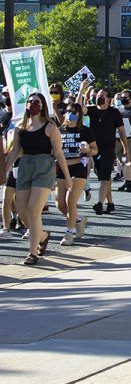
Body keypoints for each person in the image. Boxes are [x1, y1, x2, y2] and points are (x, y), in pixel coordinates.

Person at [3, 93, 72, 265]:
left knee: (34, 210)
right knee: (23, 213)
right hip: (25, 166)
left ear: (42, 106)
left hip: (44, 167)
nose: (33, 104)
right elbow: (15, 151)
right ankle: (42, 235)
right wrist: (4, 170)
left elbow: (58, 152)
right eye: (30, 102)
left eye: (37, 102)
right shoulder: (21, 126)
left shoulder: (50, 126)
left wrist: (67, 177)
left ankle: (32, 253)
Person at [79, 80, 127, 215]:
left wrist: (126, 150)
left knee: (105, 177)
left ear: (109, 99)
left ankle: (99, 204)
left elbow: (122, 132)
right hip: (94, 149)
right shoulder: (92, 110)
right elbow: (79, 107)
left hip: (108, 149)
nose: (98, 98)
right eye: (97, 96)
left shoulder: (114, 113)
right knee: (103, 178)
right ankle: (110, 203)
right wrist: (82, 90)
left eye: (102, 96)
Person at [56, 103, 97, 244]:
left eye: (73, 112)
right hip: (62, 168)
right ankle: (79, 219)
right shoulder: (60, 130)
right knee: (59, 204)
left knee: (70, 200)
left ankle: (69, 233)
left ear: (79, 114)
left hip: (78, 167)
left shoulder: (85, 131)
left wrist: (88, 150)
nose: (70, 114)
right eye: (67, 111)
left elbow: (95, 150)